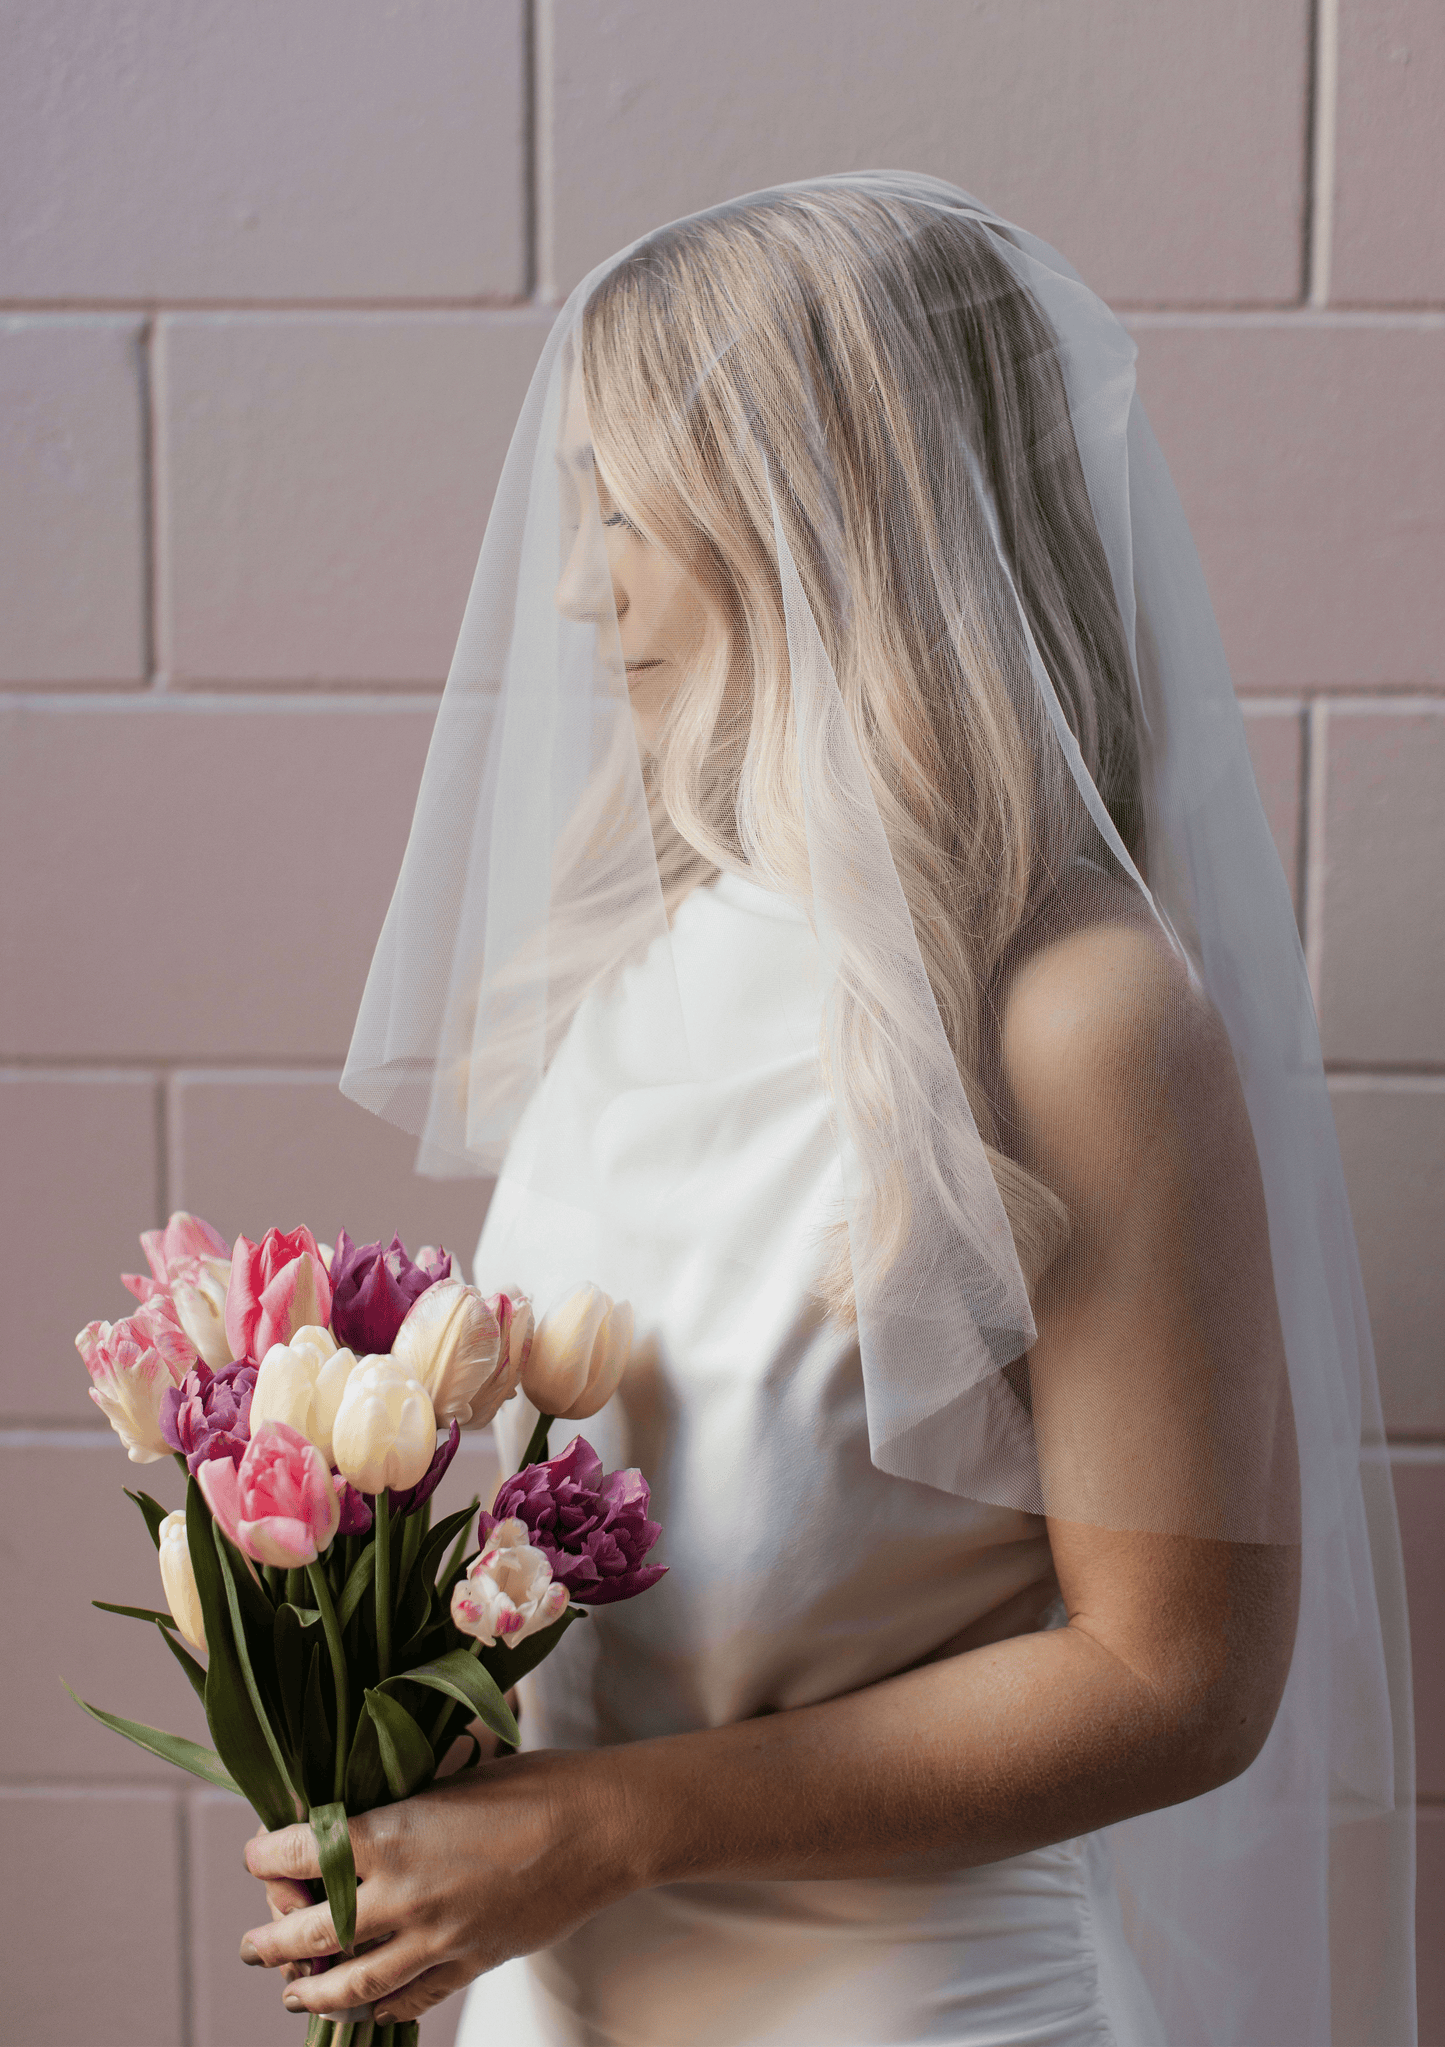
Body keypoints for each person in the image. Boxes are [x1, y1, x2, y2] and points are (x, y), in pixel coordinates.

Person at [240, 176, 1415, 2046]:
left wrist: (608, 1825)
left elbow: (1178, 1676)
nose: (573, 585)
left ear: (818, 515)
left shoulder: (1074, 1007)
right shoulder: (624, 965)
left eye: (623, 512)